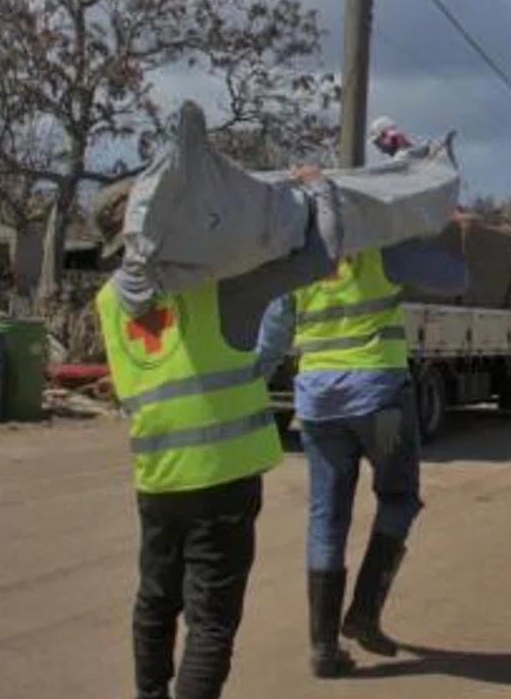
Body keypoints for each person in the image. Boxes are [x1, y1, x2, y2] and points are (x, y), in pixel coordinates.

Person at [93, 170, 313, 699]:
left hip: (159, 475)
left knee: (155, 600)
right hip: (224, 476)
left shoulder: (107, 300)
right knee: (211, 623)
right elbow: (302, 267)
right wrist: (301, 193)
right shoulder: (214, 287)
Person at [255, 234, 466, 678]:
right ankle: (364, 613)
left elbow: (270, 340)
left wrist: (243, 383)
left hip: (318, 409)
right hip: (381, 406)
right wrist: (451, 231)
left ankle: (323, 647)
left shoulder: (296, 261)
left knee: (326, 518)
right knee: (398, 498)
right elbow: (454, 279)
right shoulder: (382, 250)